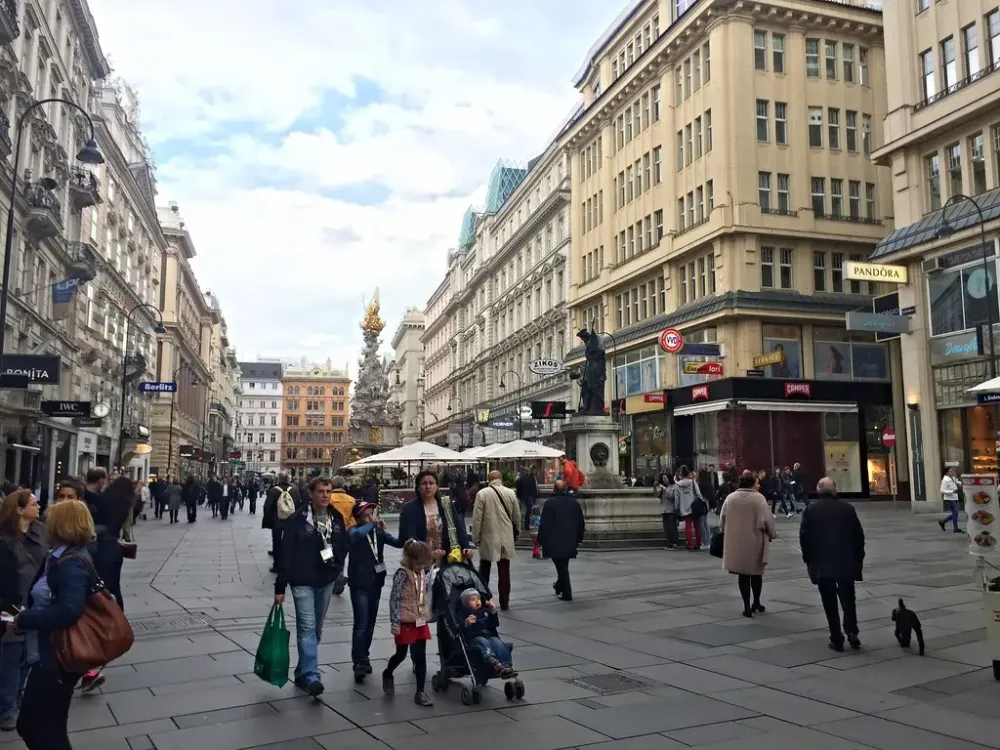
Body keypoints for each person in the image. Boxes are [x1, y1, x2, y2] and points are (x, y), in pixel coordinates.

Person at [12, 500, 97, 749]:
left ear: (62, 525)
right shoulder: (58, 556)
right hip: (47, 651)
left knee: (41, 727)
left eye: (50, 520)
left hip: (57, 657)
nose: (44, 524)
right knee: (39, 725)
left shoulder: (71, 562)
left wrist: (26, 619)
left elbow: (69, 610)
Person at [273, 477, 346, 697]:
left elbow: (343, 545)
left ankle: (302, 671)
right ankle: (312, 675)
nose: (325, 495)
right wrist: (280, 586)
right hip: (302, 580)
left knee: (316, 630)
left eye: (328, 491)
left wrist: (337, 567)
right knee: (307, 626)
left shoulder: (336, 517)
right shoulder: (297, 519)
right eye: (321, 491)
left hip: (325, 580)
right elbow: (286, 553)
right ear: (311, 494)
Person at [799, 477, 865, 652]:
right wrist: (858, 559)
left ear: (818, 490)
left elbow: (804, 538)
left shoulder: (811, 510)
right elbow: (859, 537)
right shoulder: (847, 509)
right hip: (846, 561)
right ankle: (852, 631)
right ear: (835, 490)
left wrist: (809, 560)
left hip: (822, 563)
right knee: (848, 598)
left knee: (829, 601)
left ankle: (836, 638)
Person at [0, 490, 46, 731]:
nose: (38, 507)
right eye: (33, 504)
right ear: (18, 509)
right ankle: (6, 709)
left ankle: (15, 701)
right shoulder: (4, 540)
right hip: (12, 606)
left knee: (29, 657)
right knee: (11, 658)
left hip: (36, 604)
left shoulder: (41, 532)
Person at [347, 501, 401, 680]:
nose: (371, 517)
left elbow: (398, 543)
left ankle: (365, 656)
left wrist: (407, 530)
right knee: (361, 623)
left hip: (376, 582)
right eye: (366, 515)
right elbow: (356, 535)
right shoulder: (354, 531)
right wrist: (373, 524)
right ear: (358, 518)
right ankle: (358, 662)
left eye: (372, 513)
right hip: (359, 583)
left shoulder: (378, 532)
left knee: (370, 622)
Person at [720, 470, 777, 618]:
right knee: (756, 573)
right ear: (752, 484)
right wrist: (772, 534)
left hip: (736, 541)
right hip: (755, 540)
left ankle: (746, 605)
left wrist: (726, 531)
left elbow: (722, 520)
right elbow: (768, 520)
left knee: (743, 574)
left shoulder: (730, 498)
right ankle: (756, 602)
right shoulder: (759, 499)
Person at [383, 539, 434, 707]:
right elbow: (394, 598)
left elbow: (426, 586)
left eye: (424, 564)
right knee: (401, 654)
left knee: (420, 656)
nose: (422, 567)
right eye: (419, 563)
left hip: (420, 620)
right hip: (405, 621)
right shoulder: (402, 574)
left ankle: (420, 692)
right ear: (410, 559)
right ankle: (388, 672)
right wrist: (395, 622)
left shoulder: (422, 573)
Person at [398, 471, 472, 563]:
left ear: (437, 486)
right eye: (424, 483)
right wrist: (428, 553)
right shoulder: (410, 508)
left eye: (431, 483)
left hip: (447, 560)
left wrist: (466, 548)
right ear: (418, 487)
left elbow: (458, 529)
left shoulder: (446, 504)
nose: (428, 486)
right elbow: (410, 537)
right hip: (420, 562)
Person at [472, 471, 519, 610]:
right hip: (506, 537)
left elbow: (477, 518)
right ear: (501, 479)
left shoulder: (482, 494)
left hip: (488, 536)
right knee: (504, 570)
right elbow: (516, 516)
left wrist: (475, 537)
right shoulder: (511, 493)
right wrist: (517, 532)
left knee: (484, 568)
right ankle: (505, 602)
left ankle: (483, 599)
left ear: (488, 480)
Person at [538, 480, 586, 601]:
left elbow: (544, 523)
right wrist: (579, 538)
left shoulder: (550, 503)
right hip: (570, 540)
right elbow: (580, 522)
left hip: (554, 540)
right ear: (565, 489)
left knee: (561, 566)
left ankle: (567, 593)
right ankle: (559, 586)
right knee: (563, 565)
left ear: (554, 489)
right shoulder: (574, 503)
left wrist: (541, 539)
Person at [459, 588, 515, 678]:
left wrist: (493, 611)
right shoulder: (463, 613)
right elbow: (459, 627)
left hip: (489, 635)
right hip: (474, 638)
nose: (476, 601)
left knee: (497, 641)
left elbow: (494, 624)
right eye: (472, 600)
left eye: (478, 599)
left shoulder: (485, 611)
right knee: (483, 642)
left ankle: (506, 665)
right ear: (466, 604)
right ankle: (493, 661)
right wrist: (466, 623)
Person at [263, 473, 301, 574]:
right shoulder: (294, 490)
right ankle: (290, 564)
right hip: (291, 522)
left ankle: (277, 565)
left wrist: (268, 520)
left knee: (277, 543)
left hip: (277, 522)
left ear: (278, 479)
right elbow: (299, 505)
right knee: (291, 543)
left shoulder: (273, 490)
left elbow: (267, 506)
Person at [329, 475, 358, 596]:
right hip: (346, 533)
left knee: (329, 556)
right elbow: (354, 518)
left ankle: (335, 578)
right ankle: (339, 577)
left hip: (332, 533)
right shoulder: (351, 500)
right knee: (342, 557)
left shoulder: (329, 498)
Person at [675, 466, 706, 550]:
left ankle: (690, 544)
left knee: (688, 525)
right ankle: (698, 543)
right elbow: (698, 493)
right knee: (697, 525)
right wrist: (701, 502)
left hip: (684, 507)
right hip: (694, 506)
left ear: (681, 473)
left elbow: (677, 498)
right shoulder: (692, 482)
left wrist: (676, 507)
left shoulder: (678, 485)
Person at [656, 471, 679, 549]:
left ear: (669, 478)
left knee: (672, 527)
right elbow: (658, 496)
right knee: (666, 528)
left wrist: (664, 489)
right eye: (663, 478)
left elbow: (672, 496)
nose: (664, 480)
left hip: (671, 510)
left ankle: (674, 542)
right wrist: (657, 489)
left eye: (665, 478)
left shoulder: (674, 486)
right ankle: (669, 542)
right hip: (664, 509)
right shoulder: (663, 487)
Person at [938, 466, 962, 533]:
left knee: (955, 513)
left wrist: (959, 483)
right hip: (949, 499)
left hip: (955, 497)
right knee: (955, 513)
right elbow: (942, 490)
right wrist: (951, 492)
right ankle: (955, 528)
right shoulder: (945, 480)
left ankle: (943, 522)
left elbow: (958, 482)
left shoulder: (953, 478)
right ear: (947, 473)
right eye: (950, 471)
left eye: (952, 471)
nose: (952, 472)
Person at [515, 465, 538, 531]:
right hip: (528, 496)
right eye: (535, 470)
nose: (536, 472)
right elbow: (520, 486)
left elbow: (518, 486)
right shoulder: (527, 477)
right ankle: (526, 525)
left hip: (528, 496)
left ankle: (526, 525)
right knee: (529, 511)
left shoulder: (531, 477)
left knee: (527, 511)